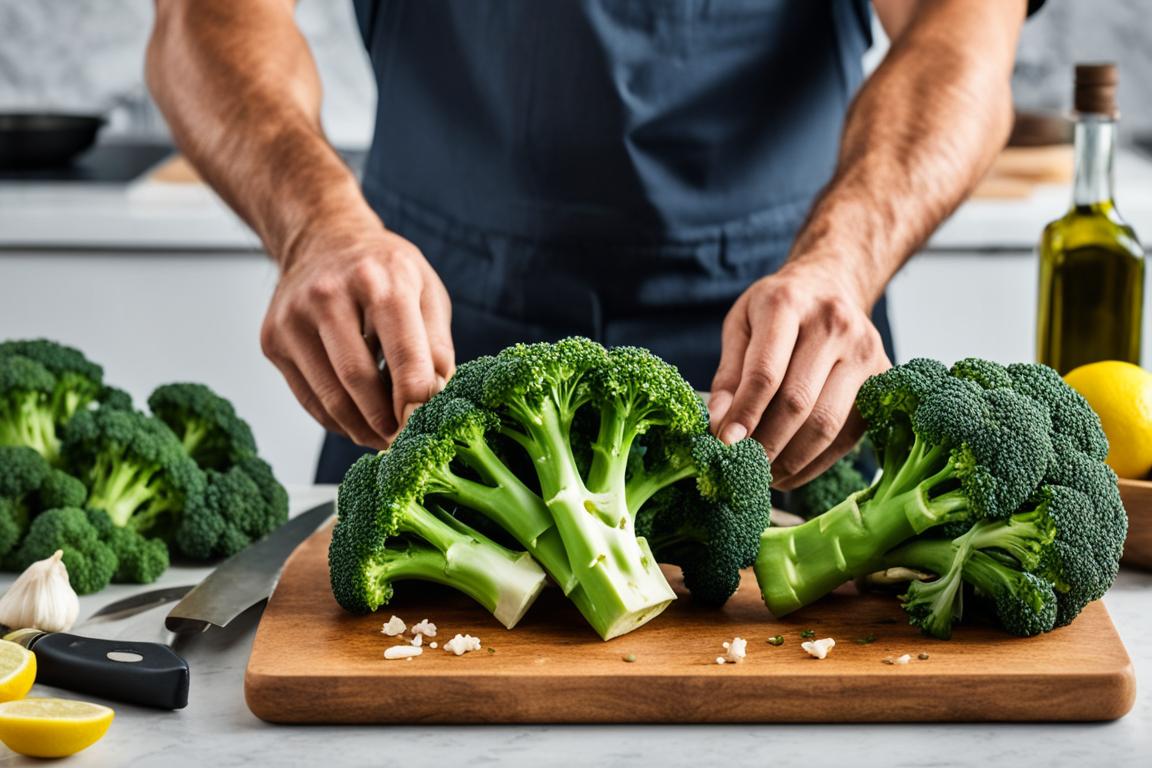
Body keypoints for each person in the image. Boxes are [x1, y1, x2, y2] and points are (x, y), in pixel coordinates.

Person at [147, 0, 1037, 487]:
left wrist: (844, 258)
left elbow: (964, 29)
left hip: (784, 362)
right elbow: (207, 17)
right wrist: (315, 225)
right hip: (428, 351)